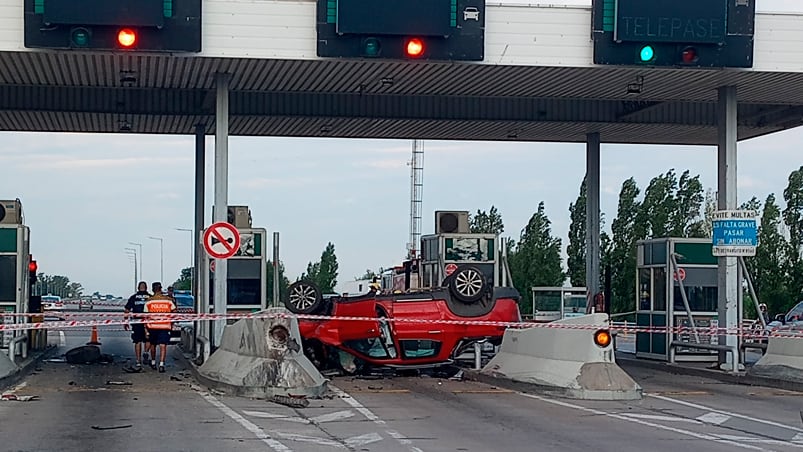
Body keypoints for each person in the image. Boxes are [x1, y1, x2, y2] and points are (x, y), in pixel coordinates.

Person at [144, 282, 176, 373]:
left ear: (152, 289)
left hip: (152, 326)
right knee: (163, 345)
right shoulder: (168, 300)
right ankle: (161, 364)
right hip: (165, 326)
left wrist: (145, 329)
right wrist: (172, 323)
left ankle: (153, 362)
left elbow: (145, 316)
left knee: (153, 345)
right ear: (161, 289)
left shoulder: (149, 301)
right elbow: (174, 312)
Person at [123, 281, 150, 371]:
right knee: (148, 339)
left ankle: (138, 360)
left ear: (138, 288)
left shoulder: (133, 297)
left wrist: (125, 321)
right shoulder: (150, 297)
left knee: (137, 341)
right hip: (148, 321)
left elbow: (127, 310)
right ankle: (146, 352)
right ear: (146, 288)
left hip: (136, 322)